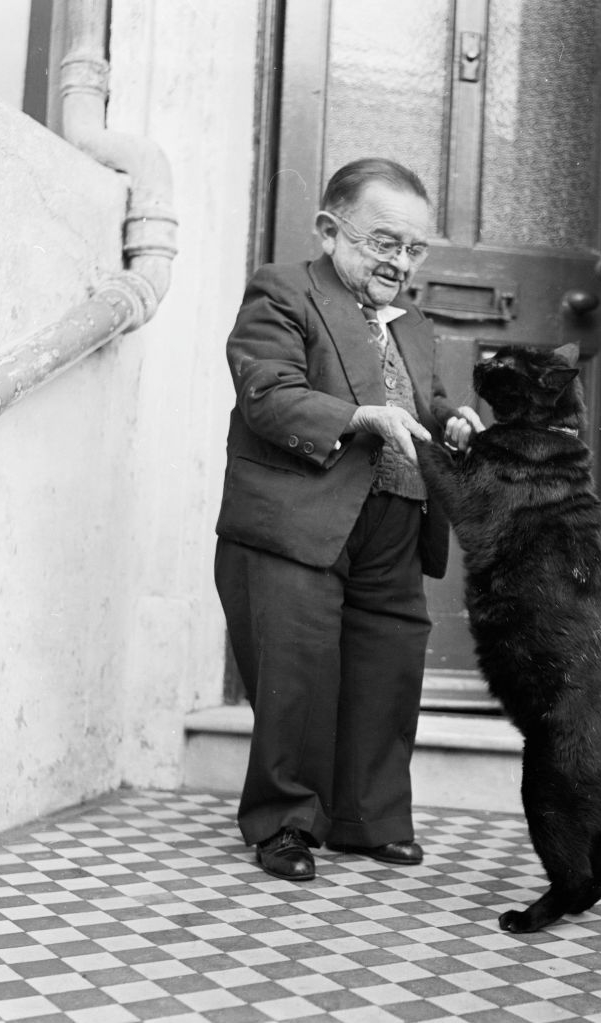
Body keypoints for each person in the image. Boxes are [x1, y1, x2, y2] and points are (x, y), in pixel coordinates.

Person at [214, 158, 483, 881]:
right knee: (297, 671)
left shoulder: (415, 325)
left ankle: (368, 820)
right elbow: (267, 393)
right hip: (298, 520)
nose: (401, 262)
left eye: (415, 248)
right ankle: (286, 823)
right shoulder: (284, 291)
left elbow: (424, 399)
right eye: (383, 242)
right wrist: (358, 416)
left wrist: (453, 419)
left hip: (394, 518)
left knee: (386, 666)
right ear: (330, 230)